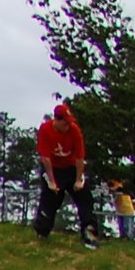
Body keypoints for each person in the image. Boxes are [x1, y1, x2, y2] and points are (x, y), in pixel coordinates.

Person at [33, 101, 98, 250]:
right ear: (57, 120)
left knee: (85, 198)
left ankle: (89, 232)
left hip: (71, 167)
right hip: (53, 168)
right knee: (50, 199)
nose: (67, 126)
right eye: (64, 123)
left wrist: (78, 179)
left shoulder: (74, 131)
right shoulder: (45, 129)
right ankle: (42, 231)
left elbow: (80, 157)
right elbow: (45, 157)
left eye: (69, 123)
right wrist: (52, 180)